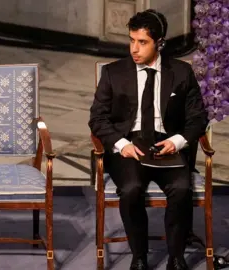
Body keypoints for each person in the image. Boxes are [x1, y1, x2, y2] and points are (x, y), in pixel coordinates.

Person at [88, 9, 208, 270]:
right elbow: (97, 119)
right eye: (132, 40)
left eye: (142, 42)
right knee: (131, 189)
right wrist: (121, 145)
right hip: (129, 146)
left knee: (181, 189)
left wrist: (177, 142)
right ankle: (139, 256)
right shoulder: (113, 73)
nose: (134, 48)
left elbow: (198, 118)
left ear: (159, 43)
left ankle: (176, 258)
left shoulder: (181, 73)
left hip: (166, 145)